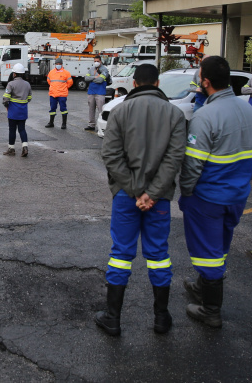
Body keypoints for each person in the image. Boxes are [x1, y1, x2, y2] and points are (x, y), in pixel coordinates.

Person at [97, 64, 186, 336]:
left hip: (126, 196)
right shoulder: (175, 114)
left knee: (121, 254)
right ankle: (161, 318)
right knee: (158, 254)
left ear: (134, 83)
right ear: (157, 83)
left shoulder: (120, 111)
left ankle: (113, 318)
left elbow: (111, 156)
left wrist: (135, 190)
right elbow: (174, 159)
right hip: (158, 199)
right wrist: (152, 193)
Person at [179, 56, 252, 328]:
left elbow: (193, 164)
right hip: (237, 195)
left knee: (207, 251)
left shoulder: (205, 115)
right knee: (219, 245)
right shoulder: (249, 110)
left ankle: (211, 310)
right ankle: (202, 286)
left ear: (205, 82)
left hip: (208, 197)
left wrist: (186, 193)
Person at [2, 64, 33, 156]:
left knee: (12, 130)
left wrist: (6, 105)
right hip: (23, 110)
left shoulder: (11, 84)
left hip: (13, 110)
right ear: (22, 74)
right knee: (22, 129)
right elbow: (29, 98)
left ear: (14, 74)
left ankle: (11, 149)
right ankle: (25, 147)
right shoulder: (27, 84)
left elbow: (6, 97)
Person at [84, 55, 110, 132]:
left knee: (101, 110)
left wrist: (91, 78)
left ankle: (102, 126)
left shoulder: (104, 70)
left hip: (100, 92)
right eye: (95, 61)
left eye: (97, 61)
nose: (96, 62)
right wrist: (94, 77)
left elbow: (100, 80)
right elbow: (86, 78)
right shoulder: (91, 69)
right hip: (91, 92)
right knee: (91, 109)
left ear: (100, 61)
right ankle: (91, 125)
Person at [45, 58, 73, 129]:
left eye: (59, 64)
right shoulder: (51, 72)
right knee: (52, 109)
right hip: (53, 94)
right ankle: (51, 122)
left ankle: (64, 124)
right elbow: (49, 81)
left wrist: (64, 88)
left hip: (62, 94)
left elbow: (70, 82)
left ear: (62, 64)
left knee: (63, 109)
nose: (58, 65)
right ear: (55, 64)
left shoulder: (66, 73)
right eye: (57, 64)